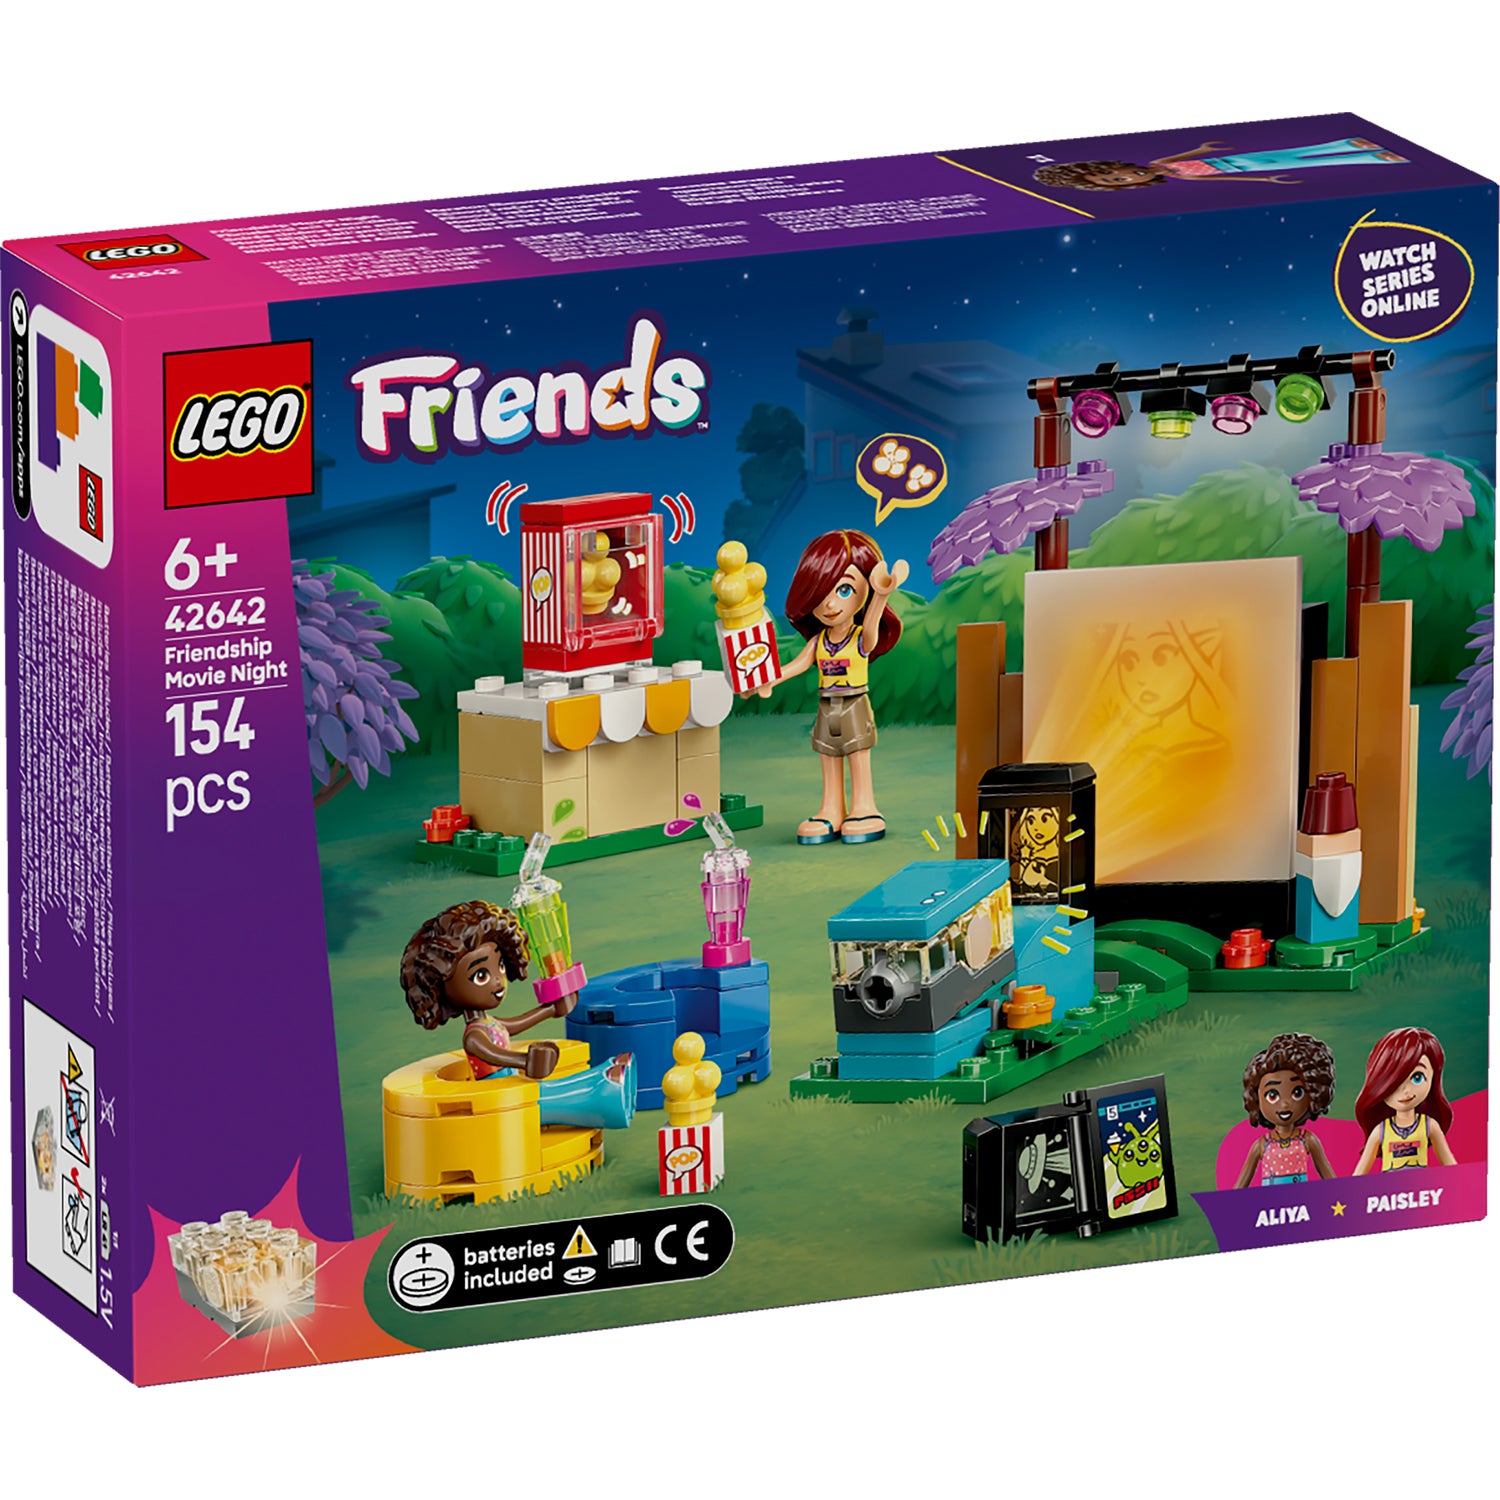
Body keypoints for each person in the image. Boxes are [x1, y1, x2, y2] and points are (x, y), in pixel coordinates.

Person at [400, 900, 635, 1127]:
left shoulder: (488, 1024)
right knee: (548, 1096)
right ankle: (606, 1090)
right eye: (481, 976)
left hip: (511, 1087)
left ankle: (607, 1074)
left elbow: (514, 1024)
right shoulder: (474, 1036)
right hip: (495, 1097)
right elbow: (493, 1054)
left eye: (500, 966)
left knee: (545, 1090)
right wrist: (524, 1060)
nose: (498, 981)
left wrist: (551, 1010)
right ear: (443, 987)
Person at [762, 529, 907, 845]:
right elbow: (799, 664)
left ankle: (865, 807)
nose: (829, 604)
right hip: (826, 705)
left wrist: (881, 595)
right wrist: (771, 678)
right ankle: (831, 809)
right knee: (828, 755)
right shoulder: (819, 641)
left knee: (858, 754)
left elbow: (871, 628)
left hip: (854, 702)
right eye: (820, 593)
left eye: (843, 589)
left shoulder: (859, 638)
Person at [1034, 137, 1408, 192]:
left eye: (1110, 172)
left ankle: (1349, 145)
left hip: (1232, 159)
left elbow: (1185, 156)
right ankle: (1370, 156)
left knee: (1300, 152)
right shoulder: (1182, 179)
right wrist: (1268, 182)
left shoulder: (1160, 162)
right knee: (1304, 164)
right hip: (1241, 168)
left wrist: (1201, 148)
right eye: (1114, 181)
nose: (1122, 175)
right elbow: (1227, 182)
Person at [1234, 1032, 1338, 1188]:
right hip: (1270, 1201)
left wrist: (1340, 1197)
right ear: (1256, 1098)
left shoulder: (1307, 1140)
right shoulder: (1261, 1145)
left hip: (1301, 1200)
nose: (1284, 1105)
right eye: (1272, 1095)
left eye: (1297, 1093)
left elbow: (1330, 1179)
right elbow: (1240, 1187)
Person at [1352, 1027, 1456, 1174]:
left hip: (1421, 1186)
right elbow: (1359, 1173)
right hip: (1389, 1188)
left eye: (1417, 1077)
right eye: (1394, 1082)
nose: (1406, 1091)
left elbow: (1451, 1165)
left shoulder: (1429, 1126)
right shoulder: (1381, 1131)